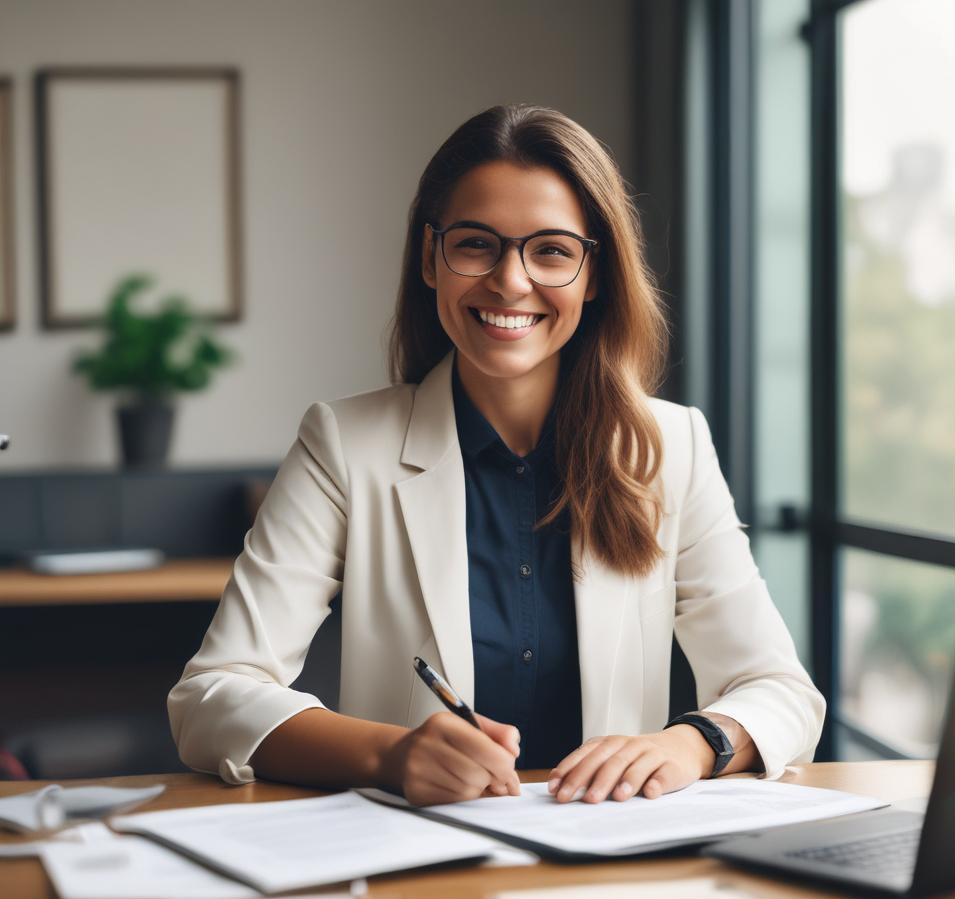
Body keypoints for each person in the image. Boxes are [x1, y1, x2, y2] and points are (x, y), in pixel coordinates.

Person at [168, 104, 825, 807]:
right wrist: (388, 753)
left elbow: (783, 695)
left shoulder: (672, 447)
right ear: (431, 259)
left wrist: (685, 745)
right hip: (418, 864)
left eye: (550, 250)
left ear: (594, 274)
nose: (511, 282)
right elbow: (211, 696)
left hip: (616, 868)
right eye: (477, 245)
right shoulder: (343, 443)